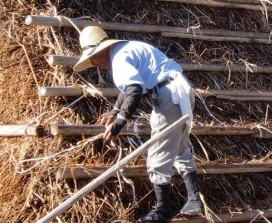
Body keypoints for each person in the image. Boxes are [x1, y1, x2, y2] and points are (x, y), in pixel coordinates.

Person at [73, 26, 204, 222]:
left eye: (93, 59)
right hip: (181, 90)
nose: (95, 64)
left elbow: (134, 90)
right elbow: (129, 89)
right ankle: (194, 200)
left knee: (158, 152)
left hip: (168, 97)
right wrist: (116, 111)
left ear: (100, 52)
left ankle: (162, 211)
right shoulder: (127, 49)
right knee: (180, 147)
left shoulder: (118, 59)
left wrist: (120, 122)